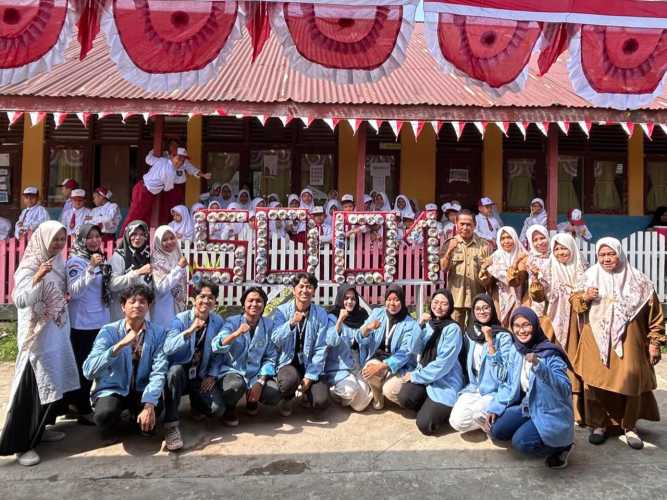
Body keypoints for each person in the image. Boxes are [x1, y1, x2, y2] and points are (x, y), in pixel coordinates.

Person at [573, 237, 665, 449]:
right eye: (602, 255)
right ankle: (599, 425)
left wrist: (655, 342)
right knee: (595, 381)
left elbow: (655, 315)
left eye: (610, 254)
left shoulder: (639, 281)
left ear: (620, 254)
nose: (606, 259)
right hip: (595, 339)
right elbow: (576, 306)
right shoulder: (588, 277)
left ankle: (630, 427)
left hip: (630, 341)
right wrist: (585, 297)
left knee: (630, 380)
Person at [0, 221, 79, 466]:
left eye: (61, 239)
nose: (57, 244)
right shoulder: (29, 264)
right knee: (33, 386)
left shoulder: (58, 261)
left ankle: (40, 429)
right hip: (37, 338)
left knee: (52, 383)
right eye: (54, 239)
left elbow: (66, 290)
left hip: (56, 332)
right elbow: (20, 300)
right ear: (43, 239)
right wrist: (36, 277)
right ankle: (21, 444)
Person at [488, 307, 575, 469]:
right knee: (496, 431)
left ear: (535, 326)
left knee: (521, 443)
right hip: (527, 406)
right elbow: (506, 381)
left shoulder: (550, 354)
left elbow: (564, 389)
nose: (521, 331)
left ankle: (563, 446)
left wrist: (539, 365)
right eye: (517, 326)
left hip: (549, 410)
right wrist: (495, 406)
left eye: (526, 325)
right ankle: (530, 428)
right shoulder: (517, 349)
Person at [83, 285, 169, 444]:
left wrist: (150, 404)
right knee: (105, 415)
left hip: (142, 389)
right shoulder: (108, 331)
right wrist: (119, 346)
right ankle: (112, 424)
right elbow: (89, 370)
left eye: (143, 302)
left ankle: (137, 416)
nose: (137, 305)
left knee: (152, 418)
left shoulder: (158, 333)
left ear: (148, 306)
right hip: (114, 388)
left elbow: (159, 370)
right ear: (123, 306)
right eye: (132, 301)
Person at [162, 279, 225, 451]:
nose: (206, 301)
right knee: (174, 372)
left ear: (215, 301)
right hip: (181, 374)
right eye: (202, 296)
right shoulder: (179, 320)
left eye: (210, 297)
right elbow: (168, 348)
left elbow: (220, 353)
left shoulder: (217, 321)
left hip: (200, 374)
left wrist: (212, 374)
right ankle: (171, 424)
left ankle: (196, 405)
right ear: (193, 298)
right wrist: (189, 331)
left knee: (217, 410)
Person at [534, 233, 588, 424]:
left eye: (563, 248)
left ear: (572, 248)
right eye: (556, 248)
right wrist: (535, 281)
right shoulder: (547, 268)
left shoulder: (583, 269)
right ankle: (553, 405)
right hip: (553, 320)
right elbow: (539, 296)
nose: (560, 252)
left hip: (576, 321)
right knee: (552, 360)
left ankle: (576, 407)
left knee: (573, 361)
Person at [397, 289, 463, 435]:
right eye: (436, 302)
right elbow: (414, 348)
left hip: (445, 381)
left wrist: (415, 376)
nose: (439, 307)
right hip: (426, 376)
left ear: (450, 307)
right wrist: (419, 324)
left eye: (444, 304)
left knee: (425, 425)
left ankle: (444, 411)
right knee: (404, 397)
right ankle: (429, 404)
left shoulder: (453, 329)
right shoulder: (429, 325)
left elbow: (443, 365)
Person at [212, 287, 281, 423]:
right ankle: (229, 409)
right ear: (244, 304)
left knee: (274, 394)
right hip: (233, 371)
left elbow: (270, 357)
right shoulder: (232, 321)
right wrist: (236, 333)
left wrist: (260, 382)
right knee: (235, 386)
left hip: (255, 374)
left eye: (259, 301)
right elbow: (217, 346)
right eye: (250, 301)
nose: (254, 304)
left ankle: (252, 401)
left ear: (264, 304)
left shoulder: (269, 325)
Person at [65, 224, 111, 425]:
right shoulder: (76, 261)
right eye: (89, 237)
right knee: (83, 367)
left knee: (94, 366)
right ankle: (81, 408)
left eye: (97, 236)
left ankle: (80, 404)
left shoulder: (99, 258)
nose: (94, 240)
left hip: (99, 320)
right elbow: (74, 292)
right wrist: (90, 268)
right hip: (82, 323)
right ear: (81, 240)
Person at [449, 294, 515, 434]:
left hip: (495, 390)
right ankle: (486, 419)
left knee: (475, 414)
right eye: (478, 309)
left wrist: (490, 341)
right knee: (456, 421)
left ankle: (493, 417)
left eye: (486, 308)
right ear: (473, 312)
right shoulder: (470, 334)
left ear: (492, 310)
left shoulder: (503, 336)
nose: (482, 311)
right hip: (474, 387)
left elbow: (504, 375)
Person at [272, 273, 330, 416]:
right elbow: (275, 338)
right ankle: (287, 398)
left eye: (309, 287)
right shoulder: (281, 311)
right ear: (294, 290)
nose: (305, 290)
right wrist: (291, 323)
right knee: (288, 382)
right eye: (301, 286)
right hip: (288, 362)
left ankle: (306, 393)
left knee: (320, 402)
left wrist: (309, 377)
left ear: (314, 291)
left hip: (311, 363)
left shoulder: (321, 313)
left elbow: (321, 347)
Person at [357, 286, 420, 410]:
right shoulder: (377, 313)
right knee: (368, 371)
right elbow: (359, 337)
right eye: (389, 299)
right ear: (385, 300)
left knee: (390, 390)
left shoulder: (409, 323)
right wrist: (367, 328)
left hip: (400, 365)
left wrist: (382, 366)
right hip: (377, 357)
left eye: (396, 300)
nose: (392, 303)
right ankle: (377, 395)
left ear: (402, 301)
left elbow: (405, 353)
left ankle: (386, 389)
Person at [439, 210, 493, 326]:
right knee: (455, 331)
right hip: (456, 299)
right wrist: (449, 251)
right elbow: (443, 268)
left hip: (477, 299)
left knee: (476, 333)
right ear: (456, 224)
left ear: (475, 225)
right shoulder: (449, 243)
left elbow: (490, 273)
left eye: (469, 224)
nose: (465, 227)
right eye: (462, 224)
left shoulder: (484, 245)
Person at [324, 285, 373, 412]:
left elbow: (365, 341)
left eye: (353, 299)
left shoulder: (362, 315)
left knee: (361, 405)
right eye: (346, 298)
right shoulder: (332, 316)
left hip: (356, 364)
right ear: (340, 299)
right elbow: (331, 341)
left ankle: (345, 398)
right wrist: (340, 320)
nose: (350, 302)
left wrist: (366, 331)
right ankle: (334, 393)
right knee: (351, 389)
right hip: (338, 366)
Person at [120, 147, 190, 234]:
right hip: (145, 192)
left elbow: (148, 159)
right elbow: (167, 188)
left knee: (144, 216)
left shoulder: (162, 160)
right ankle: (122, 238)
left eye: (182, 161)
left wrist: (153, 150)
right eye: (179, 159)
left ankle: (136, 238)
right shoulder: (170, 172)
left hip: (142, 187)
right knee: (135, 215)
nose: (180, 162)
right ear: (172, 156)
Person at [145, 140, 212, 223]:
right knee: (159, 208)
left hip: (173, 188)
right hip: (160, 188)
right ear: (169, 147)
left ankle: (173, 224)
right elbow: (149, 160)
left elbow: (193, 170)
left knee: (174, 208)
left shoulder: (183, 159)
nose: (174, 147)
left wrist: (204, 175)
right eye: (172, 145)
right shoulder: (163, 155)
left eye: (176, 145)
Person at [480, 226, 527, 327]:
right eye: (503, 238)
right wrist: (485, 271)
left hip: (518, 296)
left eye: (509, 237)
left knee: (515, 324)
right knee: (500, 324)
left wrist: (516, 263)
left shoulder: (522, 255)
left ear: (515, 238)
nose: (506, 241)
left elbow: (520, 279)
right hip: (499, 297)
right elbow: (486, 281)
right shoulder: (494, 257)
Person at [108, 221, 153, 321]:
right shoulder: (119, 256)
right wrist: (137, 273)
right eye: (134, 233)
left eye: (142, 234)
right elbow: (112, 284)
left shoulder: (148, 256)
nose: (138, 237)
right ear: (128, 234)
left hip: (142, 314)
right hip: (122, 315)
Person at [150, 226, 188, 328]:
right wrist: (179, 268)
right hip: (163, 308)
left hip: (179, 305)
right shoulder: (156, 260)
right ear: (158, 241)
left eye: (172, 238)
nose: (169, 242)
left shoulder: (177, 254)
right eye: (165, 240)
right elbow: (161, 287)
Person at [517, 225, 550, 317]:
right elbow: (517, 278)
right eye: (535, 240)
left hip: (554, 301)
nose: (539, 242)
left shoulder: (556, 256)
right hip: (535, 301)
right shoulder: (529, 259)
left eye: (542, 238)